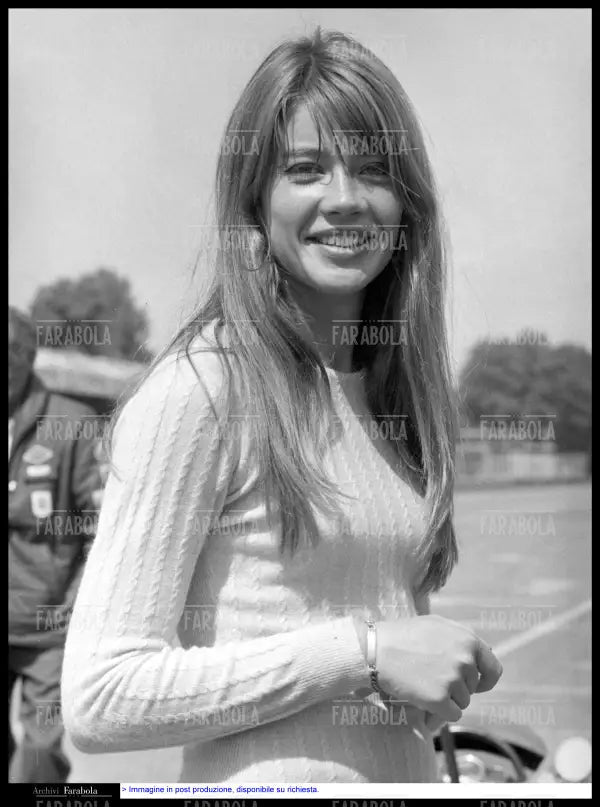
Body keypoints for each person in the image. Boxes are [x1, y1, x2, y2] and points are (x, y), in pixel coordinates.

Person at [61, 28, 502, 783]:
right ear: (255, 202)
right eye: (305, 169)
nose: (345, 198)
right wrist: (365, 652)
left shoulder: (392, 397)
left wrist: (417, 673)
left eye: (374, 169)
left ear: (407, 203)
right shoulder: (203, 389)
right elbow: (101, 696)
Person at [9, 306, 104, 783]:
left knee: (40, 755)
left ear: (28, 356)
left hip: (48, 626)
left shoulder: (73, 424)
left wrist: (76, 604)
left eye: (12, 350)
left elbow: (101, 529)